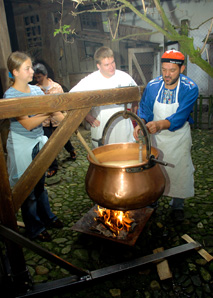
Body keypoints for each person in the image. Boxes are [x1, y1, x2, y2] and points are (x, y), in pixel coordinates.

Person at [4, 51, 64, 241]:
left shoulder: (37, 91)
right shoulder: (10, 95)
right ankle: (34, 229)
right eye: (27, 68)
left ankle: (47, 218)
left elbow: (57, 115)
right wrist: (49, 111)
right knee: (27, 190)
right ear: (15, 72)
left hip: (38, 142)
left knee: (40, 186)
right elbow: (28, 124)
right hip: (22, 145)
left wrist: (68, 119)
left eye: (31, 67)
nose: (32, 71)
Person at [133, 50, 199, 222]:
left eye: (172, 70)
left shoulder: (189, 88)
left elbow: (179, 117)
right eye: (164, 70)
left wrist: (158, 124)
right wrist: (141, 124)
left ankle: (177, 205)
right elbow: (145, 109)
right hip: (157, 139)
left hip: (178, 137)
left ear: (182, 68)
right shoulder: (153, 86)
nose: (167, 74)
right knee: (155, 170)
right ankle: (153, 200)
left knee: (179, 170)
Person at [70, 46, 138, 148]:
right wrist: (87, 116)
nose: (111, 67)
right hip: (102, 125)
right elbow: (72, 97)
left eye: (113, 62)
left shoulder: (125, 77)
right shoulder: (90, 80)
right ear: (99, 66)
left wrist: (134, 108)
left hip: (122, 126)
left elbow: (136, 94)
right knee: (104, 157)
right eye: (107, 65)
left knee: (125, 156)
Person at [33, 63, 76, 178]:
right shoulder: (36, 89)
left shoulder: (56, 87)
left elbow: (64, 103)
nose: (38, 79)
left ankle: (71, 150)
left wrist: (66, 116)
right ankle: (53, 166)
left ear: (45, 75)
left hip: (57, 119)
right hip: (45, 121)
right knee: (48, 144)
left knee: (63, 138)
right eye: (36, 77)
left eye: (39, 77)